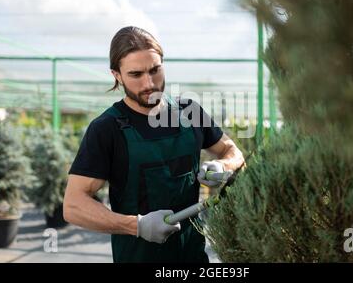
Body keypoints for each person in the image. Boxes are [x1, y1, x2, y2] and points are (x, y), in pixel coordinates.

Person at [63, 26, 245, 263]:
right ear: (117, 75)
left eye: (155, 70)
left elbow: (232, 151)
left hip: (192, 256)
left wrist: (223, 166)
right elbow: (73, 205)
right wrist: (136, 225)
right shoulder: (107, 128)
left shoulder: (190, 111)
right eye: (136, 74)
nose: (149, 83)